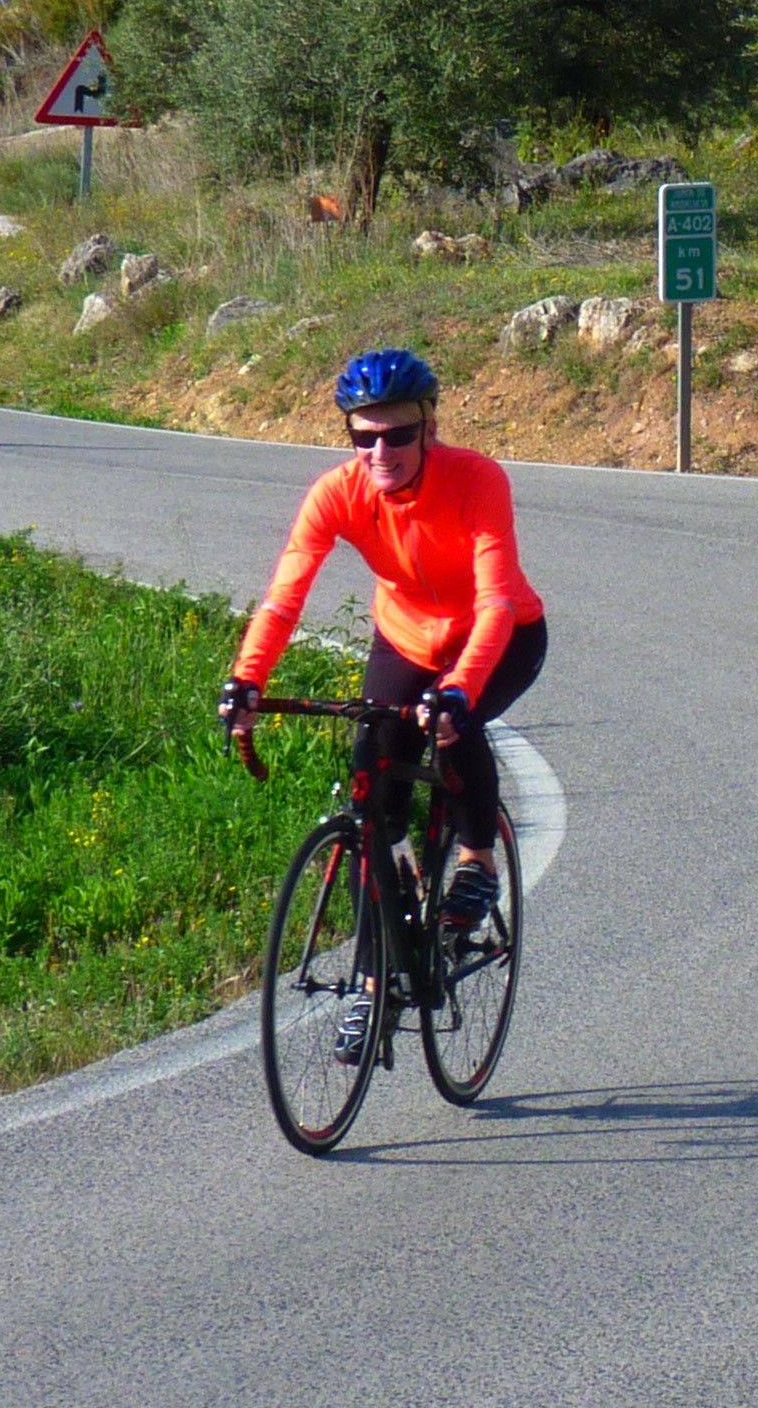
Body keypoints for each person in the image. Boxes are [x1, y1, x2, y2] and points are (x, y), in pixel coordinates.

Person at [219, 348, 546, 1061]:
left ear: (430, 427)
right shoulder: (338, 492)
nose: (379, 451)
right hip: (405, 639)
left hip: (500, 635)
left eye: (396, 435)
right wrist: (247, 679)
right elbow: (286, 595)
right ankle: (375, 981)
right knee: (373, 784)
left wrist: (460, 689)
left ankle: (476, 862)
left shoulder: (476, 478)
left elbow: (494, 599)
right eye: (362, 437)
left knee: (454, 729)